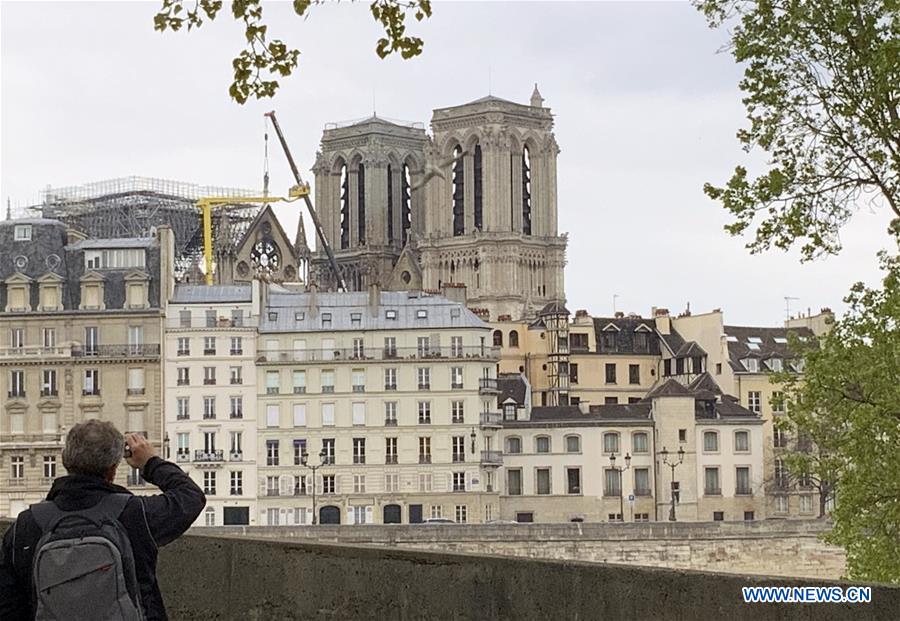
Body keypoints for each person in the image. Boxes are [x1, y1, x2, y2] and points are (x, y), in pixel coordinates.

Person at [0, 420, 206, 621]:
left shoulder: (26, 525)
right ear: (113, 469)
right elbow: (191, 497)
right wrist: (150, 462)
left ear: (64, 461)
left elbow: (8, 605)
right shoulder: (134, 514)